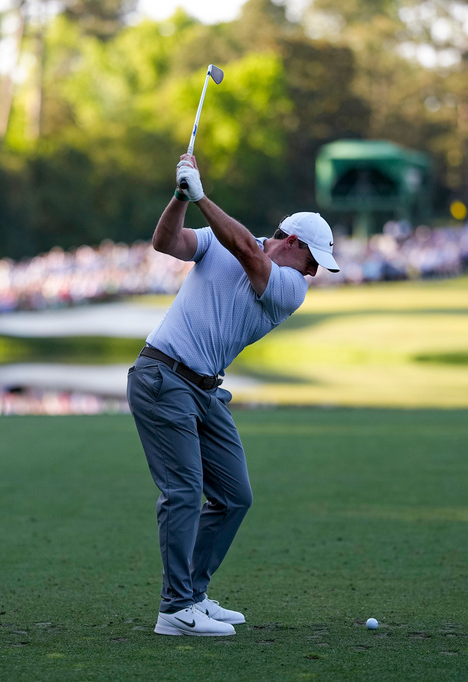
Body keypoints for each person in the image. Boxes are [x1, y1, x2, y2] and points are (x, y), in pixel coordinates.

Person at [127, 154, 339, 636]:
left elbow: (246, 250)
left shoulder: (288, 288)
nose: (313, 275)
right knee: (183, 491)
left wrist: (200, 194)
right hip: (163, 377)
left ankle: (195, 594)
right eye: (312, 262)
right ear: (291, 242)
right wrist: (180, 199)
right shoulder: (225, 245)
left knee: (234, 496)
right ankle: (175, 609)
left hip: (204, 390)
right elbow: (165, 242)